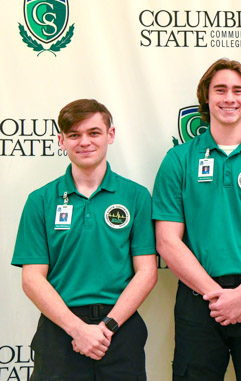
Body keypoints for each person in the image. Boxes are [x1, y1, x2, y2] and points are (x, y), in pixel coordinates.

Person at [152, 58, 241, 380]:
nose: (229, 98)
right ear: (206, 97)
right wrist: (217, 296)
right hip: (198, 299)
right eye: (220, 90)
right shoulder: (178, 160)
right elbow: (166, 240)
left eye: (237, 90)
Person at [11, 99, 157, 380]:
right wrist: (77, 329)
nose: (84, 142)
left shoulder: (136, 196)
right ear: (61, 140)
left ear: (110, 135)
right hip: (60, 331)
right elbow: (31, 278)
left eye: (93, 132)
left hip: (119, 329)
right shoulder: (40, 201)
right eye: (74, 135)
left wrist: (107, 327)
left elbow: (147, 271)